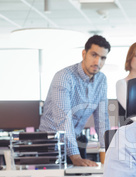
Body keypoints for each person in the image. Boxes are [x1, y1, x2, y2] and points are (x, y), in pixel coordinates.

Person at [39, 35, 111, 167]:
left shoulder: (101, 80)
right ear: (84, 54)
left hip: (76, 141)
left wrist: (108, 153)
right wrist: (75, 156)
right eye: (94, 55)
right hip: (50, 143)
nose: (97, 62)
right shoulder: (64, 77)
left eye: (102, 58)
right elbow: (63, 119)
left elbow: (102, 120)